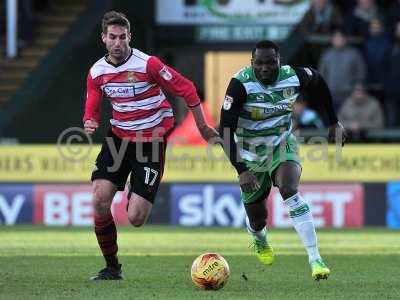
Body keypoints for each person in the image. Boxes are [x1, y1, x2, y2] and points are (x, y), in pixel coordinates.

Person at [83, 11, 218, 280]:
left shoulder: (149, 65)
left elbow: (188, 89)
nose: (118, 42)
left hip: (151, 141)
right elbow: (93, 102)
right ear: (103, 39)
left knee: (135, 218)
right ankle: (112, 267)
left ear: (130, 37)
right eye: (113, 37)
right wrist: (90, 120)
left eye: (123, 37)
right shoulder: (97, 71)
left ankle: (137, 187)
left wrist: (202, 125)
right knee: (99, 199)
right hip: (119, 138)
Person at [219, 40, 346, 281]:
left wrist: (332, 121)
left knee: (289, 189)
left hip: (282, 143)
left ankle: (315, 258)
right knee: (257, 220)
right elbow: (224, 130)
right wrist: (242, 170)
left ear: (280, 62)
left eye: (271, 63)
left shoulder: (293, 76)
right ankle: (259, 239)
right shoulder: (240, 84)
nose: (265, 68)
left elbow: (317, 80)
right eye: (260, 63)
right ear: (252, 64)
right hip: (249, 155)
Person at [318, 30, 366, 110]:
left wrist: (357, 89)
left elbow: (360, 73)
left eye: (340, 38)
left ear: (345, 39)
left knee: (346, 118)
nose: (338, 40)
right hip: (331, 94)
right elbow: (321, 74)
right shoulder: (326, 55)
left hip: (349, 94)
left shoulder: (354, 54)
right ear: (332, 40)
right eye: (336, 38)